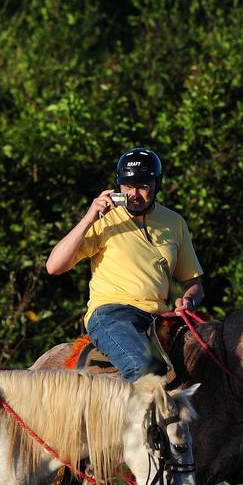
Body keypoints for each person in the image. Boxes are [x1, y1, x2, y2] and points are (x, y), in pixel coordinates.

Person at [45, 148, 204, 381]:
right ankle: (135, 417)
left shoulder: (174, 222)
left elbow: (194, 283)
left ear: (156, 184)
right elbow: (54, 266)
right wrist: (89, 216)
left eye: (142, 186)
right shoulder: (104, 218)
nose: (133, 194)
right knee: (146, 370)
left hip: (159, 319)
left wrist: (189, 299)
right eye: (127, 186)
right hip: (112, 313)